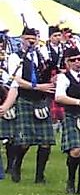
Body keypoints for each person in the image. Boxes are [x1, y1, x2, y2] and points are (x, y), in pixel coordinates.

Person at [7, 27, 56, 184]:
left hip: (41, 100)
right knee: (24, 141)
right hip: (25, 99)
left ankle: (39, 176)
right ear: (22, 39)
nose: (31, 41)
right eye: (28, 38)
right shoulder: (16, 57)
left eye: (34, 38)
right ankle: (16, 165)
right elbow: (17, 80)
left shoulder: (42, 55)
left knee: (46, 142)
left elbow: (50, 71)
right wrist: (38, 87)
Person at [54, 47, 80, 194]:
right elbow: (59, 97)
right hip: (72, 115)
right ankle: (71, 181)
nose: (77, 62)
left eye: (79, 59)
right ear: (67, 62)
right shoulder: (64, 77)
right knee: (76, 150)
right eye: (73, 60)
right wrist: (79, 102)